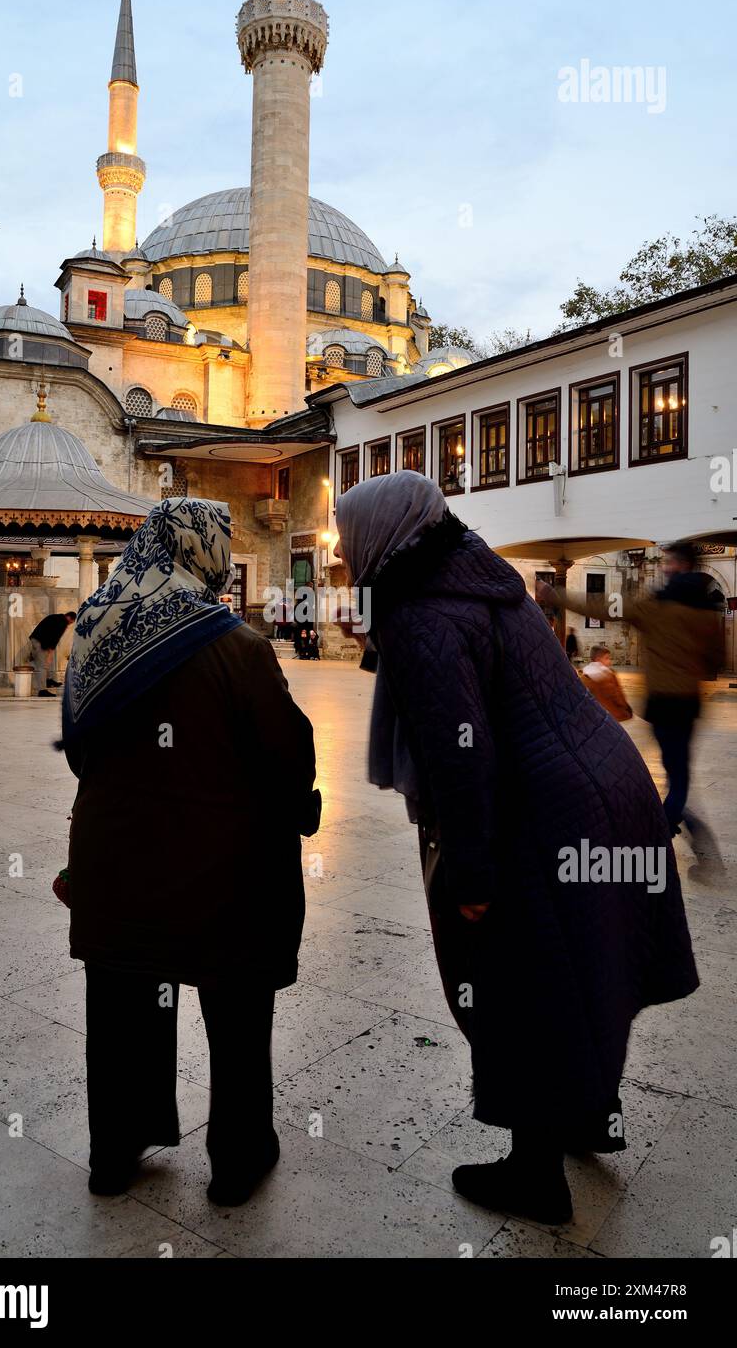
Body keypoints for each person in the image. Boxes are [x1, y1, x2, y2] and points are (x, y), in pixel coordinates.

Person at [335, 471, 698, 1227]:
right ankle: (592, 1115)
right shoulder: (479, 579)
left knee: (518, 979)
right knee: (589, 960)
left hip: (548, 809)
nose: (343, 550)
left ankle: (535, 1175)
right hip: (612, 786)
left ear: (381, 535)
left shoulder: (422, 615)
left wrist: (471, 869)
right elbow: (460, 668)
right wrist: (382, 640)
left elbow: (459, 753)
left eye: (346, 536)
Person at [60, 498, 318, 1202]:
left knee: (122, 1011)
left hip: (117, 866)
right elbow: (287, 759)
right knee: (236, 1016)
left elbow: (80, 752)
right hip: (225, 874)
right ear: (204, 552)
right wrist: (304, 811)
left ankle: (116, 1151)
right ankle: (238, 1160)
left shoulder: (97, 627)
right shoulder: (238, 647)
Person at [538, 542, 723, 861]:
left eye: (668, 562)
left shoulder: (656, 606)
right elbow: (715, 661)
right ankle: (679, 827)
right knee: (677, 771)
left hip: (663, 702)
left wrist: (556, 595)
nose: (664, 567)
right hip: (688, 702)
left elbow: (602, 607)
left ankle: (661, 831)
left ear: (679, 565)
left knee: (675, 773)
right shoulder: (707, 612)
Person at [579, 644, 633, 723]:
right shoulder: (608, 675)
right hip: (610, 714)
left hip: (592, 716)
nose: (609, 661)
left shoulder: (584, 674)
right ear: (598, 659)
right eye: (607, 658)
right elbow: (617, 695)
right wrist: (625, 707)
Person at [29, 611, 76, 697]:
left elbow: (50, 635)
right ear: (69, 618)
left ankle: (49, 680)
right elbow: (55, 638)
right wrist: (50, 653)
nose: (69, 624)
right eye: (71, 622)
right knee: (43, 665)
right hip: (39, 641)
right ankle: (42, 690)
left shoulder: (55, 617)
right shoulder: (62, 623)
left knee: (48, 662)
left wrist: (50, 653)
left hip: (39, 640)